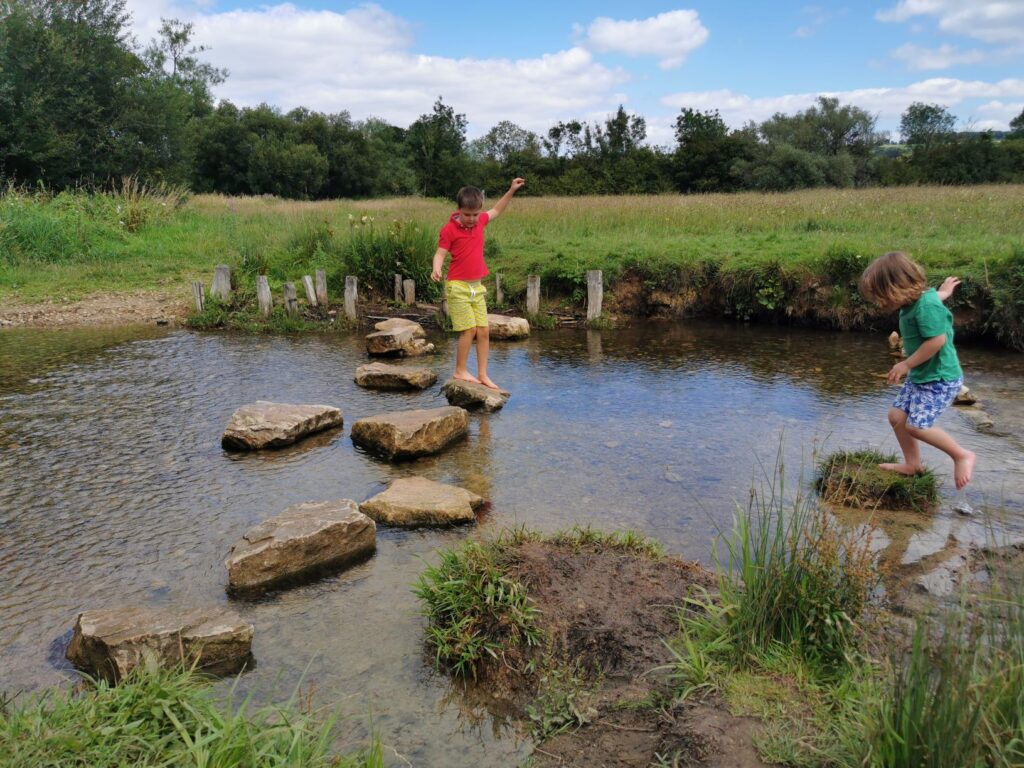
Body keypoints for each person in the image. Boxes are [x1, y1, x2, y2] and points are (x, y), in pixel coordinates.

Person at [859, 251, 976, 490]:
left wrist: (905, 364)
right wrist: (945, 291)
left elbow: (937, 341)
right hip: (923, 376)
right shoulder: (919, 301)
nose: (879, 303)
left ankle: (961, 455)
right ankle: (913, 464)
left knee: (917, 426)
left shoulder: (925, 307)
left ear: (896, 288)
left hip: (940, 378)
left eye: (880, 297)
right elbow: (936, 297)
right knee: (897, 417)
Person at [431, 178, 525, 390]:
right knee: (469, 330)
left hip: (477, 287)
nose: (472, 219)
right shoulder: (449, 230)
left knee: (483, 330)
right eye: (467, 215)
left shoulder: (481, 221)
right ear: (458, 210)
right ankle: (460, 370)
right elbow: (440, 254)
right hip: (458, 287)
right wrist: (436, 268)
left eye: (475, 215)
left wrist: (511, 190)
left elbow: (497, 210)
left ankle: (482, 374)